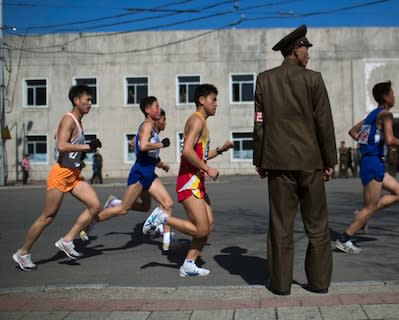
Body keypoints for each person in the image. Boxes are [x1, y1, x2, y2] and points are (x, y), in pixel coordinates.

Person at [253, 25, 337, 295]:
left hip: (277, 164)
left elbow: (260, 124)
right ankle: (319, 282)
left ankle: (279, 284)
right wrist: (329, 160)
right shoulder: (313, 80)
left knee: (280, 225)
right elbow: (324, 122)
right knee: (318, 226)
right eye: (306, 49)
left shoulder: (264, 80)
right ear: (295, 49)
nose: (309, 55)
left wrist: (260, 159)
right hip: (310, 163)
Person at [12, 84, 102, 271]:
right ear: (76, 101)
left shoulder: (77, 121)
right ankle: (22, 253)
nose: (90, 103)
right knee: (48, 216)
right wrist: (86, 147)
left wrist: (79, 155)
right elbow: (61, 145)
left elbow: (59, 138)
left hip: (74, 174)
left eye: (91, 100)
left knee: (94, 205)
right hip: (60, 174)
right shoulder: (68, 119)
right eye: (88, 100)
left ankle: (67, 240)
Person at [152, 84, 233, 277]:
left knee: (209, 225)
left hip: (197, 182)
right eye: (213, 99)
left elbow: (200, 155)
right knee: (201, 228)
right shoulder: (196, 121)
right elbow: (187, 152)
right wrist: (207, 169)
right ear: (201, 100)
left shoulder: (201, 123)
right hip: (189, 181)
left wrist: (221, 150)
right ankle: (161, 218)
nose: (216, 104)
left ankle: (189, 264)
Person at [84, 98, 176, 250]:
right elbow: (145, 145)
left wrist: (158, 162)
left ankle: (167, 241)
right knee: (123, 210)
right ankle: (92, 221)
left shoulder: (150, 127)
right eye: (156, 107)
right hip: (140, 173)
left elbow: (134, 143)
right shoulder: (147, 125)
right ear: (148, 110)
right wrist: (161, 144)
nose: (159, 109)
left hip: (149, 172)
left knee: (162, 205)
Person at [335, 81, 399, 254]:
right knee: (370, 207)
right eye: (392, 93)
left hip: (372, 161)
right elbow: (391, 140)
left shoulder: (372, 115)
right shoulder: (386, 115)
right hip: (373, 162)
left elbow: (353, 132)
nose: (394, 96)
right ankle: (344, 239)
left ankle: (362, 214)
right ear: (386, 96)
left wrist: (368, 142)